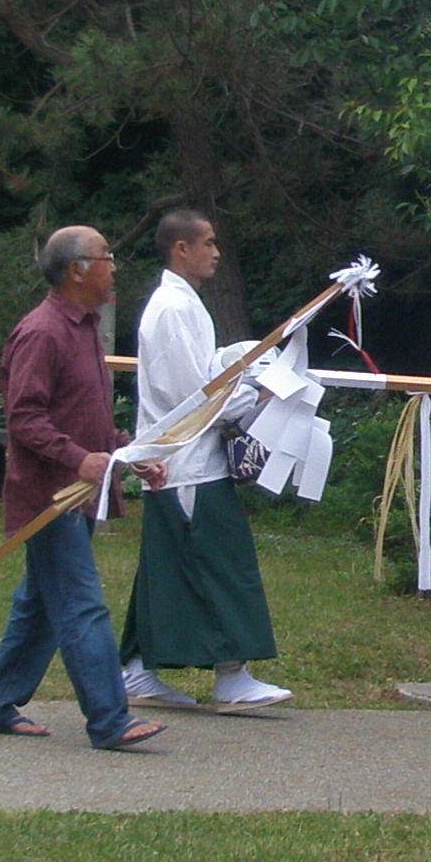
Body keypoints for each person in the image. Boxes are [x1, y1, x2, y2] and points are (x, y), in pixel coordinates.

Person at [0, 226, 169, 750]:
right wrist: (77, 458)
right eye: (107, 256)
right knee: (81, 605)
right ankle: (110, 719)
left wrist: (131, 455)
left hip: (77, 493)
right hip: (48, 497)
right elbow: (24, 418)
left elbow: (87, 415)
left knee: (41, 603)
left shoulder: (84, 328)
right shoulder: (42, 332)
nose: (114, 266)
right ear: (77, 268)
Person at [121, 209, 291, 711]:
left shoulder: (184, 305)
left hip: (189, 459)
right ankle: (231, 674)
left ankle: (135, 667)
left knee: (166, 567)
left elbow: (204, 374)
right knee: (220, 563)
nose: (216, 252)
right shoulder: (172, 309)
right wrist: (256, 396)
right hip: (186, 462)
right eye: (208, 243)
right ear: (182, 249)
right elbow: (192, 395)